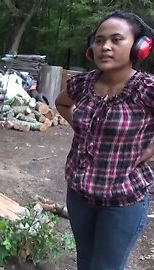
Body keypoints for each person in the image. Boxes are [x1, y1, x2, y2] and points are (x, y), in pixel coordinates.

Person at [55, 11, 154, 270]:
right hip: (79, 195)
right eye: (99, 41)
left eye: (116, 39)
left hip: (123, 201)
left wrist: (151, 148)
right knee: (85, 263)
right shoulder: (83, 84)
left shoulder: (147, 89)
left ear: (139, 47)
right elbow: (62, 103)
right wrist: (81, 126)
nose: (105, 47)